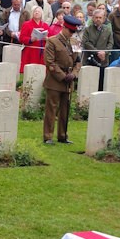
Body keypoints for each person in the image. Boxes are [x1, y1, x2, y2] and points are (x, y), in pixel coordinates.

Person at [41, 15, 82, 144]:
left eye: (73, 32)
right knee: (51, 109)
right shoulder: (52, 41)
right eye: (70, 31)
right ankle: (48, 136)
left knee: (66, 109)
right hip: (55, 80)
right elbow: (50, 62)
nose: (71, 34)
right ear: (64, 28)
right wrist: (63, 76)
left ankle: (63, 135)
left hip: (69, 81)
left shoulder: (75, 43)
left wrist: (74, 74)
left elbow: (78, 62)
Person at [18, 5, 48, 71]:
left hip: (42, 50)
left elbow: (50, 38)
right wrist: (30, 39)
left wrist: (47, 39)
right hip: (30, 51)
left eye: (38, 11)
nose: (37, 13)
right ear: (32, 13)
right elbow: (21, 38)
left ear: (41, 14)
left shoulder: (45, 25)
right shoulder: (26, 24)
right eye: (35, 11)